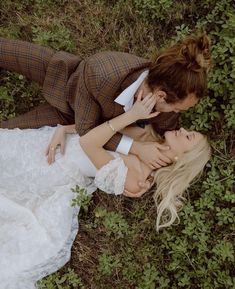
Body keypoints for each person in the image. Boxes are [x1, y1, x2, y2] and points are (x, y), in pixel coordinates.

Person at [0, 94, 211, 289]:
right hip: (53, 143)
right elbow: (100, 129)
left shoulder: (137, 179)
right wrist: (65, 129)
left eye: (188, 136)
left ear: (181, 158)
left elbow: (89, 143)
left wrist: (132, 115)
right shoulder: (148, 135)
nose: (183, 130)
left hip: (55, 169)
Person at [0, 33, 211, 170]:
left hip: (67, 121)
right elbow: (87, 130)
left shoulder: (166, 110)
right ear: (161, 95)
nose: (176, 116)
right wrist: (135, 147)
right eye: (176, 108)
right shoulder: (101, 73)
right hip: (67, 80)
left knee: (6, 136)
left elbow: (172, 146)